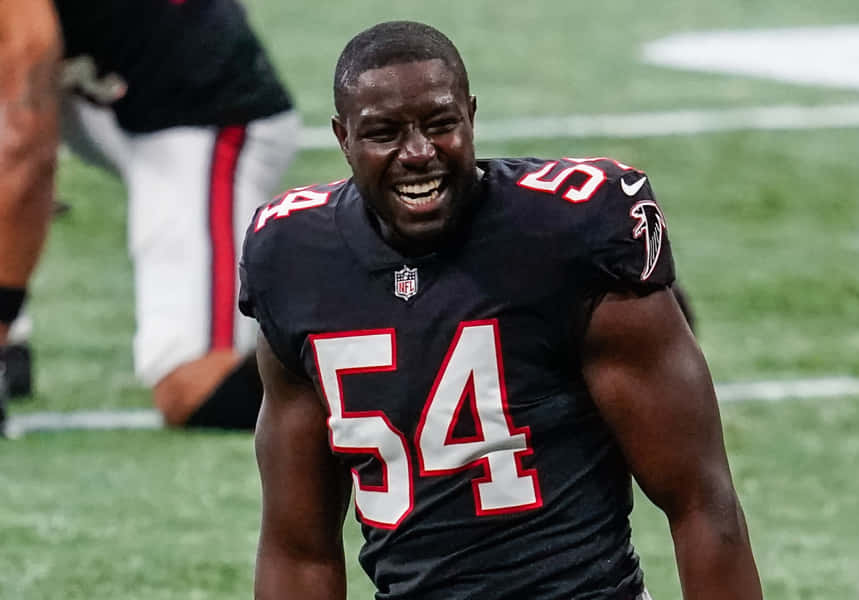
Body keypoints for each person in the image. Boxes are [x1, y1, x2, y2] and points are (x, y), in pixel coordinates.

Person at [239, 20, 761, 599]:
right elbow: (298, 549)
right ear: (343, 138)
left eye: (440, 124)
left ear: (471, 116)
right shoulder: (295, 260)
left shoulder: (570, 238)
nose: (417, 153)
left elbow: (701, 504)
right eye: (384, 132)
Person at [0, 0, 300, 433]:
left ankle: (382, 338)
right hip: (98, 85)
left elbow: (25, 145)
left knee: (194, 385)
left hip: (198, 114)